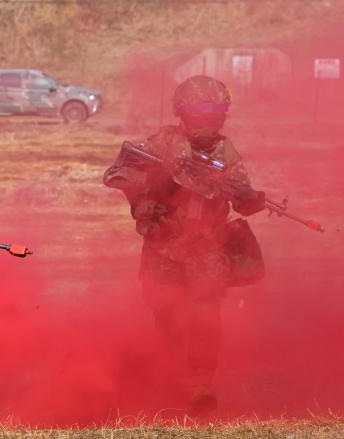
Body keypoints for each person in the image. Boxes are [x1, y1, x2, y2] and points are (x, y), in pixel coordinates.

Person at [103, 75, 265, 414]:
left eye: (215, 110)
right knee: (167, 316)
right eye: (200, 111)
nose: (208, 118)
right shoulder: (163, 143)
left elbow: (242, 198)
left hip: (207, 248)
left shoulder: (226, 152)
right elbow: (117, 174)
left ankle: (201, 385)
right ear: (183, 112)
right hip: (164, 245)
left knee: (206, 317)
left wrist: (251, 199)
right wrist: (162, 181)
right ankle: (170, 379)